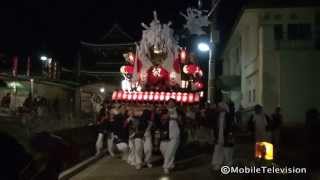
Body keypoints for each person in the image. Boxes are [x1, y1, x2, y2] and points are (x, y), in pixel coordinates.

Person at [211, 102, 234, 171]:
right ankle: (217, 163)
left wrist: (230, 135)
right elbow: (215, 126)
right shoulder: (217, 115)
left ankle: (228, 164)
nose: (218, 108)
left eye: (220, 107)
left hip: (226, 135)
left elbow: (231, 126)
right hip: (218, 135)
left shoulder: (228, 116)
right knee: (217, 149)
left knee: (227, 150)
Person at [160, 99, 180, 174]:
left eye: (173, 103)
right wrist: (169, 116)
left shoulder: (178, 111)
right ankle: (171, 164)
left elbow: (180, 120)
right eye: (170, 103)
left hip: (175, 133)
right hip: (166, 134)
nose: (171, 104)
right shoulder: (164, 110)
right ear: (167, 104)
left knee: (171, 150)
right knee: (163, 150)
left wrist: (174, 118)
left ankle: (166, 166)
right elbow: (162, 118)